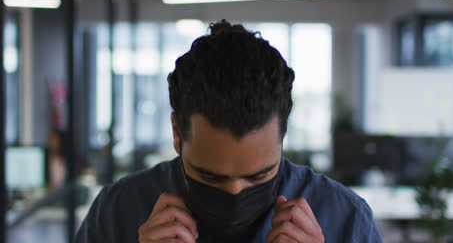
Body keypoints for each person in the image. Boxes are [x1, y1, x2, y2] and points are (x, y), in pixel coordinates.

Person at [75, 20, 382, 243]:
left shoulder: (346, 220)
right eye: (210, 176)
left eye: (259, 176)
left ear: (283, 135)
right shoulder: (117, 213)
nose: (235, 194)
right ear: (176, 133)